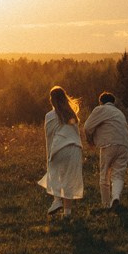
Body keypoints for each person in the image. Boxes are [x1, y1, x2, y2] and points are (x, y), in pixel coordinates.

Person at [38, 86, 84, 217]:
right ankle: (67, 213)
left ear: (51, 100)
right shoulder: (71, 114)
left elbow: (49, 138)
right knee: (69, 180)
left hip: (59, 148)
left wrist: (49, 159)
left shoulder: (50, 116)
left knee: (56, 173)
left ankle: (57, 200)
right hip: (75, 148)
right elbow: (77, 134)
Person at [83, 91, 128, 210]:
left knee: (104, 175)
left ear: (101, 102)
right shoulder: (119, 113)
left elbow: (87, 127)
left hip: (109, 144)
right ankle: (115, 197)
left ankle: (105, 205)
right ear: (113, 102)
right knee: (118, 174)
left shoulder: (100, 109)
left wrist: (91, 141)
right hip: (124, 144)